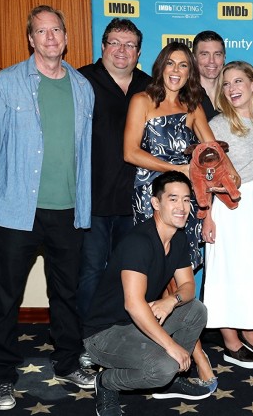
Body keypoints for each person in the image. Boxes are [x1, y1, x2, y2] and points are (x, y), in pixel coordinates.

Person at [0, 5, 95, 411]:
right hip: (16, 213)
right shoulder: (7, 83)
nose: (50, 37)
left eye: (56, 30)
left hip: (68, 211)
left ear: (66, 36)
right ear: (31, 38)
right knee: (7, 297)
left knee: (66, 295)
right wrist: (13, 186)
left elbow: (84, 152)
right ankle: (2, 377)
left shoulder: (82, 87)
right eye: (41, 31)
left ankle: (67, 363)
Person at [124, 41, 231, 393]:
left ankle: (176, 352)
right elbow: (130, 152)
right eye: (171, 63)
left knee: (180, 277)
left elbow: (212, 156)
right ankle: (197, 356)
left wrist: (224, 186)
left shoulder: (193, 105)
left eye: (184, 65)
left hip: (186, 200)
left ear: (190, 72)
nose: (176, 70)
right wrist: (176, 169)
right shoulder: (142, 101)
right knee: (165, 276)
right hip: (152, 198)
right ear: (160, 66)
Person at [83, 171, 210, 416]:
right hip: (105, 333)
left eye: (186, 200)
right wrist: (171, 346)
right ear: (156, 203)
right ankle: (107, 382)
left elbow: (188, 287)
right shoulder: (139, 241)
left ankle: (170, 381)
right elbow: (133, 304)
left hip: (139, 322)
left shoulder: (178, 238)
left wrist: (170, 301)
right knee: (163, 367)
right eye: (173, 199)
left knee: (195, 310)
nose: (182, 207)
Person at [77, 18, 151, 323]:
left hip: (135, 200)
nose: (122, 50)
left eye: (130, 45)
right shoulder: (81, 80)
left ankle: (120, 335)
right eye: (115, 43)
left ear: (138, 52)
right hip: (91, 199)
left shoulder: (149, 86)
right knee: (90, 271)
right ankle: (88, 336)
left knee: (129, 272)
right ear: (103, 46)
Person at [202, 61, 253, 369]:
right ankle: (231, 342)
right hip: (228, 208)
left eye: (238, 81)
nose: (232, 88)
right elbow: (205, 174)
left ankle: (251, 334)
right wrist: (207, 215)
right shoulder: (218, 126)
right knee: (227, 274)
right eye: (227, 83)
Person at [192, 30, 225, 121]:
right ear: (194, 58)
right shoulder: (184, 95)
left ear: (224, 58)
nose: (211, 61)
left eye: (217, 54)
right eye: (205, 54)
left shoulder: (233, 93)